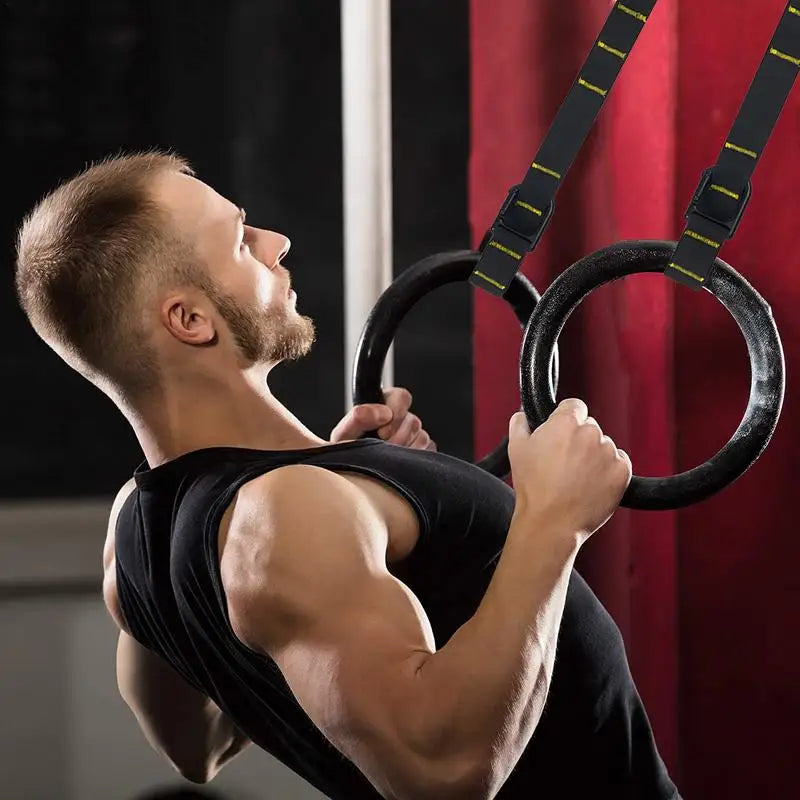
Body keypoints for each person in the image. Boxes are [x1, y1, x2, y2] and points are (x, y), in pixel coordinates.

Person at [14, 151, 680, 800]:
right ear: (189, 320)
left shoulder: (136, 530)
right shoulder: (287, 513)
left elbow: (196, 745)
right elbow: (441, 778)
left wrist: (358, 487)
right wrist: (552, 523)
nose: (276, 241)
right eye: (241, 243)